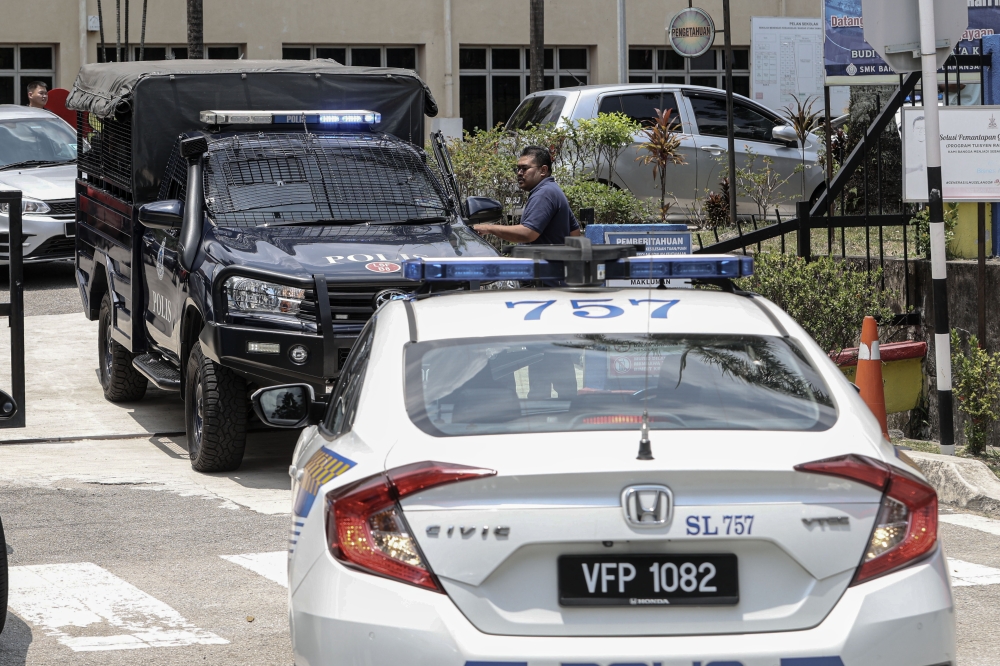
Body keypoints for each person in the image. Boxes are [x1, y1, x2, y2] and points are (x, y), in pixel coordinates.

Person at [472, 145, 581, 245]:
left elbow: (528, 233)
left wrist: (489, 228)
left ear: (543, 170)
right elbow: (574, 232)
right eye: (518, 169)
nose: (519, 173)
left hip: (541, 265)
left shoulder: (544, 194)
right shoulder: (553, 190)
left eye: (524, 168)